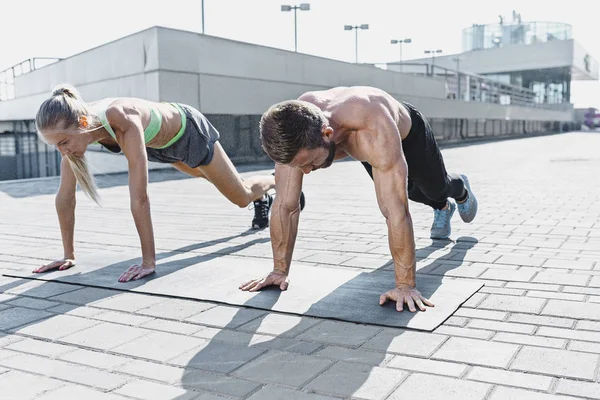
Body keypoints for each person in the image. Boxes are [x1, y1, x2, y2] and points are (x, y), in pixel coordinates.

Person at [239, 86, 478, 312]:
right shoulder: (293, 131)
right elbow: (285, 206)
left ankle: (458, 192)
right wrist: (279, 271)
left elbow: (394, 210)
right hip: (362, 139)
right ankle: (443, 208)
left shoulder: (371, 128)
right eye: (301, 165)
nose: (308, 172)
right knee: (413, 192)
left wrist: (405, 286)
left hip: (409, 135)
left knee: (431, 189)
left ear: (327, 134)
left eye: (311, 163)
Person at [33, 84, 301, 282]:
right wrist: (69, 255)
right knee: (203, 175)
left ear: (82, 123)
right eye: (55, 146)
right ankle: (264, 188)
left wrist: (148, 262)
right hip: (158, 145)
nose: (62, 151)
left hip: (188, 132)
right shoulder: (76, 130)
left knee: (240, 195)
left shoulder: (121, 118)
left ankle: (276, 180)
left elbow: (140, 197)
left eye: (64, 143)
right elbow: (65, 196)